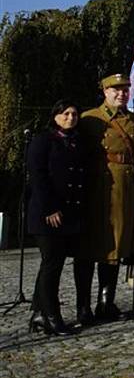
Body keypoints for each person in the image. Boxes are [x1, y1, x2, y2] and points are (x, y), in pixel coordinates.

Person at [77, 74, 134, 322]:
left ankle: (105, 302)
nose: (121, 94)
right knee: (88, 248)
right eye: (116, 90)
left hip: (124, 189)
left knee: (115, 246)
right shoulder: (89, 119)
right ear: (105, 92)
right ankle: (83, 306)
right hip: (95, 188)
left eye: (125, 90)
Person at [27, 100, 85, 335]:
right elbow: (38, 177)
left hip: (68, 215)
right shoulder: (43, 141)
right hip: (47, 215)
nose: (70, 118)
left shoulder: (75, 143)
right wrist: (49, 208)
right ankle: (52, 316)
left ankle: (39, 312)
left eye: (74, 114)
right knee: (51, 265)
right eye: (65, 114)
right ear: (55, 117)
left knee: (52, 264)